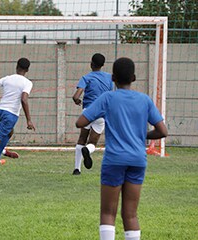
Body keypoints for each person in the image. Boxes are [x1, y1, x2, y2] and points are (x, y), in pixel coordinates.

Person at [75, 57, 168, 240]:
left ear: (112, 78)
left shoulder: (108, 98)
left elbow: (80, 122)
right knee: (131, 214)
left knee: (108, 213)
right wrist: (141, 135)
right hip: (137, 160)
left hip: (114, 160)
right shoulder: (144, 100)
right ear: (133, 78)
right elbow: (162, 131)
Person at [72, 53, 113, 175]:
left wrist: (77, 100)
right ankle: (88, 150)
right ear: (103, 65)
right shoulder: (109, 78)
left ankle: (77, 169)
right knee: (93, 142)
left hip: (87, 113)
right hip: (101, 115)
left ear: (91, 64)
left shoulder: (86, 77)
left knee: (81, 139)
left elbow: (76, 96)